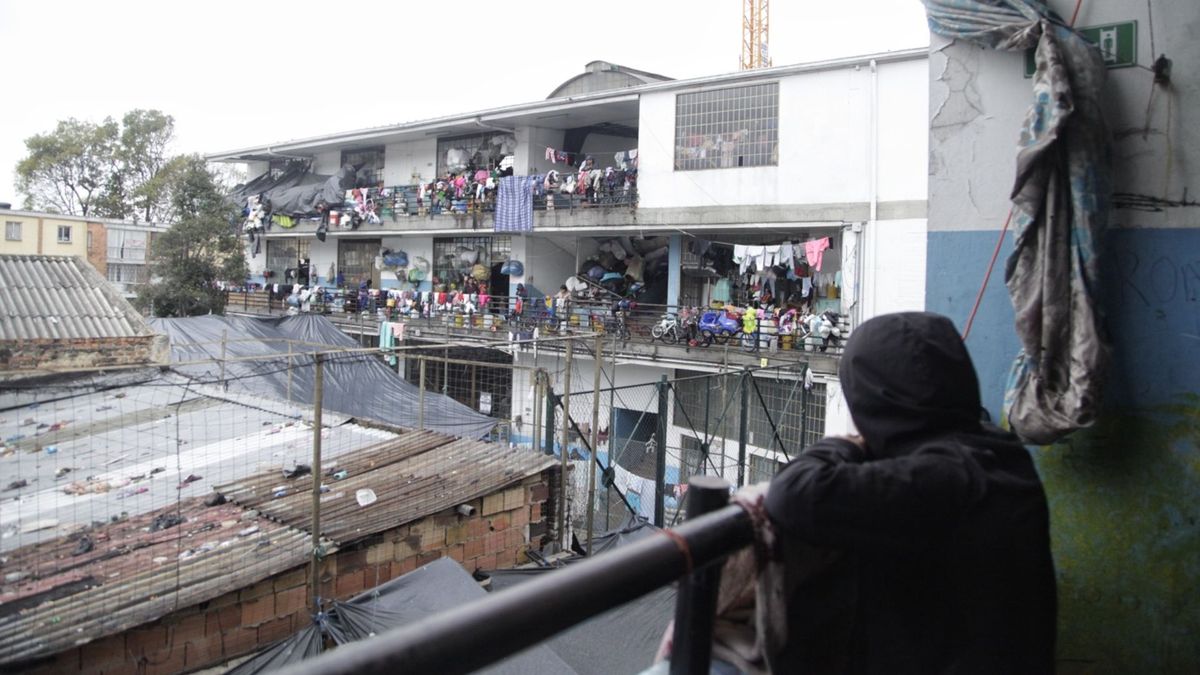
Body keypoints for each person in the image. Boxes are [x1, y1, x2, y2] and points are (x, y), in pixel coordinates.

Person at [765, 312, 1056, 674]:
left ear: (872, 398)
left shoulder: (948, 477)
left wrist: (844, 445)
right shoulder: (999, 454)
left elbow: (794, 494)